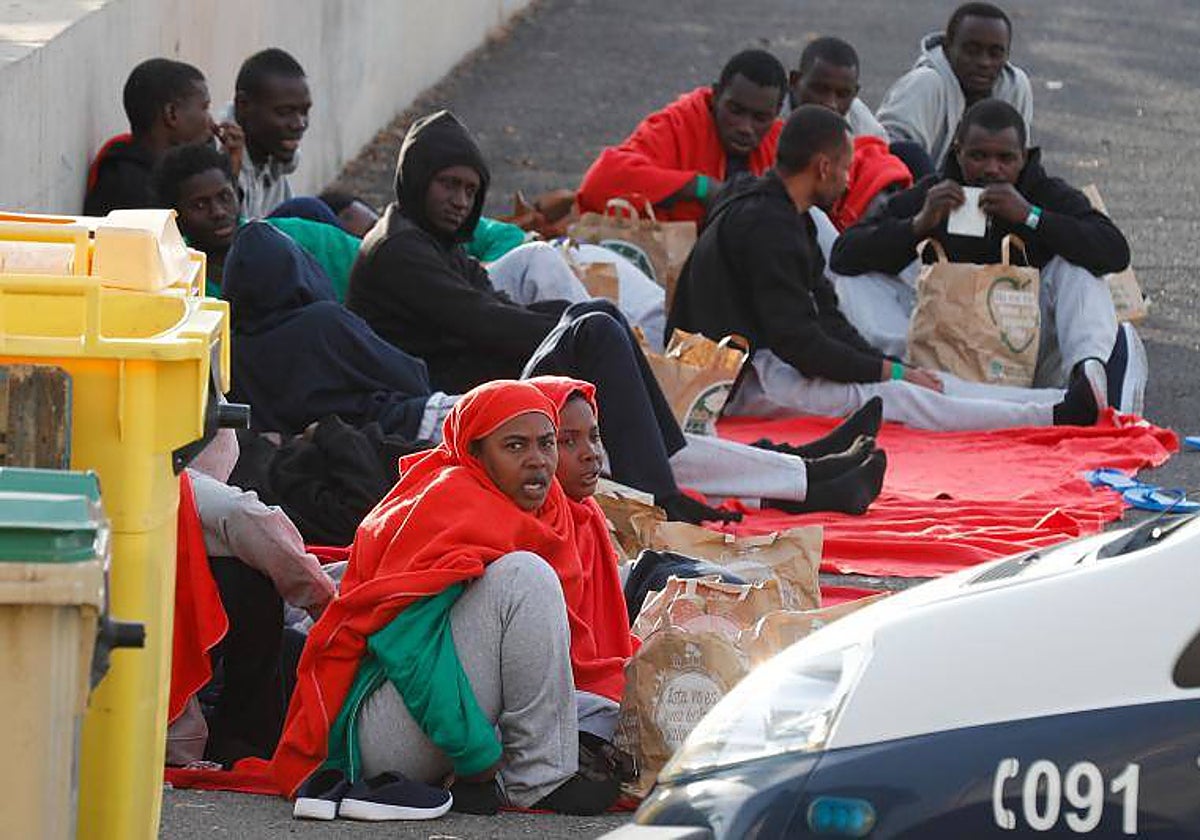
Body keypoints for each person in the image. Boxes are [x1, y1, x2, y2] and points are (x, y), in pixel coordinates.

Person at [272, 381, 625, 816]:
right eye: (514, 446)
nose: (537, 460)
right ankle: (538, 780)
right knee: (526, 576)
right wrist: (478, 758)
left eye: (547, 443)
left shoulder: (549, 508)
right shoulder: (452, 503)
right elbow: (407, 649)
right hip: (382, 734)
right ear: (474, 454)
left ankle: (532, 766)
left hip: (442, 717)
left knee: (620, 712)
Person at [668, 105, 1116, 432]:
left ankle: (1064, 396)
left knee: (915, 384)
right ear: (824, 167)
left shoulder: (783, 212)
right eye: (846, 168)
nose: (849, 181)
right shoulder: (769, 222)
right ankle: (1054, 413)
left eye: (1006, 159)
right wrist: (889, 372)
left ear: (1024, 157)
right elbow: (801, 340)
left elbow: (824, 313)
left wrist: (884, 365)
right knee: (900, 396)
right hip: (738, 382)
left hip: (767, 362)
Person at [831, 99, 1145, 413]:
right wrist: (918, 225)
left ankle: (1086, 378)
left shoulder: (1043, 192)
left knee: (1078, 267)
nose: (992, 169)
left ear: (1023, 158)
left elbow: (1114, 252)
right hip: (946, 356)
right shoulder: (939, 191)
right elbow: (843, 255)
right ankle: (911, 379)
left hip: (1026, 349)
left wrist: (1030, 216)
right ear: (958, 152)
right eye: (978, 156)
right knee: (856, 277)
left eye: (1005, 158)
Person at [576, 49, 787, 223]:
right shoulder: (676, 124)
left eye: (760, 118)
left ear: (776, 114)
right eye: (735, 110)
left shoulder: (782, 141)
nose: (745, 127)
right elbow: (599, 182)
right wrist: (699, 187)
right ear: (715, 96)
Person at [154, 144, 361, 299]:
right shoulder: (172, 283)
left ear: (238, 194)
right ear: (175, 215)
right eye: (200, 205)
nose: (218, 212)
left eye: (225, 196)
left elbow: (373, 262)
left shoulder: (298, 238)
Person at [875, 2, 1033, 174]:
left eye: (995, 54)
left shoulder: (1014, 85)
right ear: (948, 46)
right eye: (971, 51)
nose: (984, 62)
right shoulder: (925, 83)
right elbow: (887, 152)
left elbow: (1017, 161)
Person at [84, 58, 243, 215]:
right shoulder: (132, 189)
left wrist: (229, 175)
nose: (213, 123)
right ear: (171, 114)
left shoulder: (165, 172)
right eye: (204, 108)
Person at [787, 36, 912, 229]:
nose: (831, 103)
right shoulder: (767, 115)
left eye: (843, 94)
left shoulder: (864, 128)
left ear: (854, 93)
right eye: (820, 89)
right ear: (795, 82)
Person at [229, 48, 312, 218]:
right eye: (284, 112)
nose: (300, 124)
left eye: (304, 111)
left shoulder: (271, 153)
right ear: (243, 106)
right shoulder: (219, 162)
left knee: (346, 209)